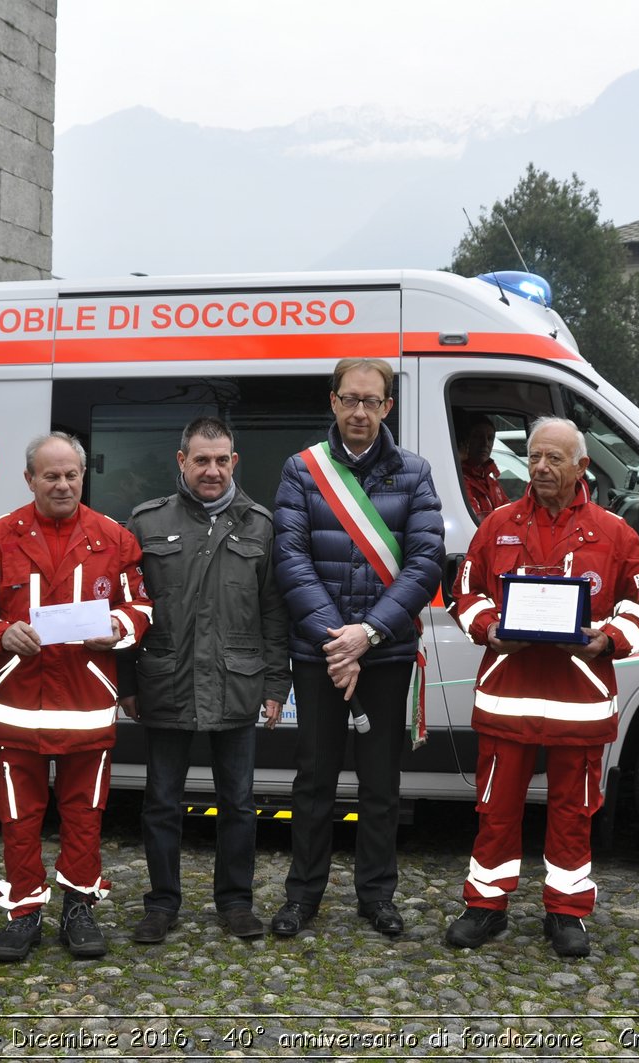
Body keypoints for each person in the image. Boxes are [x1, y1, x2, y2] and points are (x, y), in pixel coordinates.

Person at [445, 417, 639, 958]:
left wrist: (608, 639)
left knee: (574, 811)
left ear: (582, 466)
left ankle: (566, 913)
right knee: (496, 809)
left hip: (579, 701)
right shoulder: (496, 524)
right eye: (535, 457)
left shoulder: (614, 533)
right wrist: (490, 629)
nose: (540, 467)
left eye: (554, 459)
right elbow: (464, 594)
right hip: (508, 695)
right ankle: (485, 906)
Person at [0, 432, 151, 961]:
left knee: (85, 813)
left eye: (71, 475)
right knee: (17, 817)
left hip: (87, 706)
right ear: (29, 479)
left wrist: (116, 625)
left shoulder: (115, 538)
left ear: (82, 477)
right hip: (16, 710)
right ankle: (23, 911)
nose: (62, 484)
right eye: (51, 475)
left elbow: (142, 609)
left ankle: (79, 907)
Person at [270, 357, 445, 938]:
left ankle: (377, 895)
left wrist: (365, 634)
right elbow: (290, 561)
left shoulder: (415, 473)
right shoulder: (301, 471)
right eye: (351, 399)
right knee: (314, 780)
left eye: (372, 401)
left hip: (384, 653)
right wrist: (335, 640)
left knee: (380, 784)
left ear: (388, 407)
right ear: (333, 402)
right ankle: (303, 897)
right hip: (320, 654)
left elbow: (425, 564)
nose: (361, 411)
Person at [123, 417, 291, 943]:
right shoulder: (146, 523)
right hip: (165, 680)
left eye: (221, 460)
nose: (212, 470)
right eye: (201, 460)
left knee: (239, 803)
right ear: (182, 461)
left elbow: (274, 613)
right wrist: (126, 682)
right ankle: (161, 904)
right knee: (161, 802)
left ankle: (236, 902)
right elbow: (130, 609)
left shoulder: (260, 525)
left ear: (234, 462)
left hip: (237, 681)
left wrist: (274, 686)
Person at [456, 413, 509, 520]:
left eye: (490, 438)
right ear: (466, 441)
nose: (485, 443)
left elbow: (510, 512)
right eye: (477, 437)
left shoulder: (490, 480)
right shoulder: (459, 479)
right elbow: (476, 520)